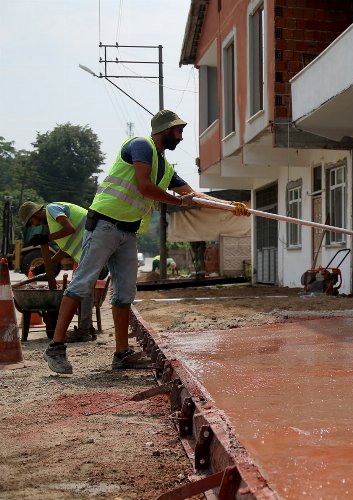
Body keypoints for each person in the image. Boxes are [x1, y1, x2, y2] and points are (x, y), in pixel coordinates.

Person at [42, 110, 249, 374]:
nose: (181, 136)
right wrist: (177, 201)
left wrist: (231, 206)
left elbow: (194, 196)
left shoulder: (166, 168)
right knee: (82, 283)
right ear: (165, 130)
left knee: (125, 293)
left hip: (128, 233)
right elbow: (144, 186)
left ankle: (121, 354)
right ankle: (56, 348)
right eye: (179, 131)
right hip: (104, 223)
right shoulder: (140, 145)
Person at [18, 201, 103, 342]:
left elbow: (70, 229)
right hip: (91, 247)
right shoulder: (53, 224)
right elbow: (65, 249)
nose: (33, 225)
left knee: (83, 287)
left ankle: (84, 330)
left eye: (30, 222)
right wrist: (46, 265)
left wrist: (47, 238)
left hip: (95, 242)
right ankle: (86, 328)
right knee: (84, 287)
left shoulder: (52, 208)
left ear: (35, 213)